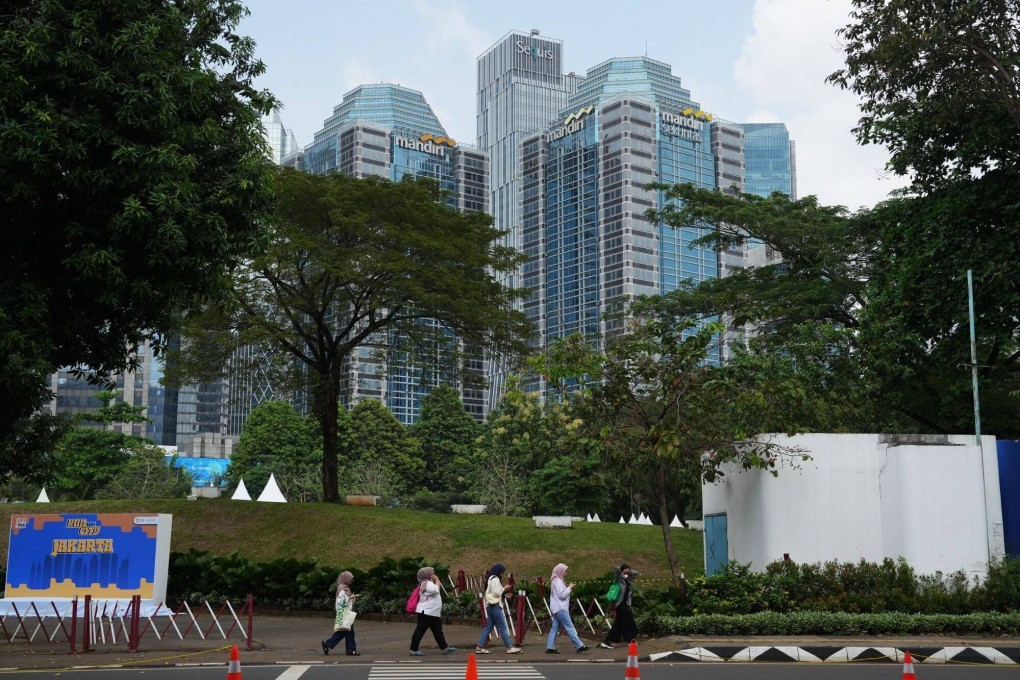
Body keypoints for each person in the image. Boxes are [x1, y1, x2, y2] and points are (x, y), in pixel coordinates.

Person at [474, 563, 522, 654]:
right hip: (496, 606)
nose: (502, 574)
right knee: (503, 627)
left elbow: (493, 593)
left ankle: (479, 647)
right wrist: (505, 588)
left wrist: (504, 594)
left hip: (490, 606)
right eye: (502, 572)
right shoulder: (495, 579)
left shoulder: (490, 578)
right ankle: (510, 647)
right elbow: (496, 592)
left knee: (488, 627)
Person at [409, 567, 457, 656]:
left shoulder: (426, 583)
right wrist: (437, 580)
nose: (434, 575)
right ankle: (413, 650)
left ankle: (445, 648)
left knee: (438, 631)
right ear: (426, 575)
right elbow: (435, 590)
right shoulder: (427, 583)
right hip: (427, 612)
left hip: (432, 612)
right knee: (420, 630)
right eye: (432, 573)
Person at [545, 563, 590, 654]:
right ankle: (579, 646)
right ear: (560, 571)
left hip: (556, 608)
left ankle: (550, 647)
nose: (566, 573)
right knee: (569, 627)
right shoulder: (558, 582)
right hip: (561, 608)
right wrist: (570, 588)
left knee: (554, 627)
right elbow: (562, 595)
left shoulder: (554, 581)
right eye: (565, 571)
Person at [599, 563, 638, 649]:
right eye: (625, 572)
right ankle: (630, 640)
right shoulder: (618, 580)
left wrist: (628, 572)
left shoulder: (627, 580)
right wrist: (621, 571)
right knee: (629, 620)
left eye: (628, 572)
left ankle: (607, 642)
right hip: (619, 604)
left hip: (625, 604)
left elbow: (636, 573)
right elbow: (616, 570)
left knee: (619, 624)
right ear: (621, 572)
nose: (627, 574)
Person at [322, 571, 360, 656]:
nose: (351, 581)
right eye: (350, 579)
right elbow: (341, 602)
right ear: (345, 579)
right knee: (347, 632)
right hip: (345, 613)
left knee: (345, 631)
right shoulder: (343, 589)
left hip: (345, 613)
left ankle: (328, 644)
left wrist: (351, 598)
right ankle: (350, 650)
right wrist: (350, 598)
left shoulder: (344, 588)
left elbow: (344, 601)